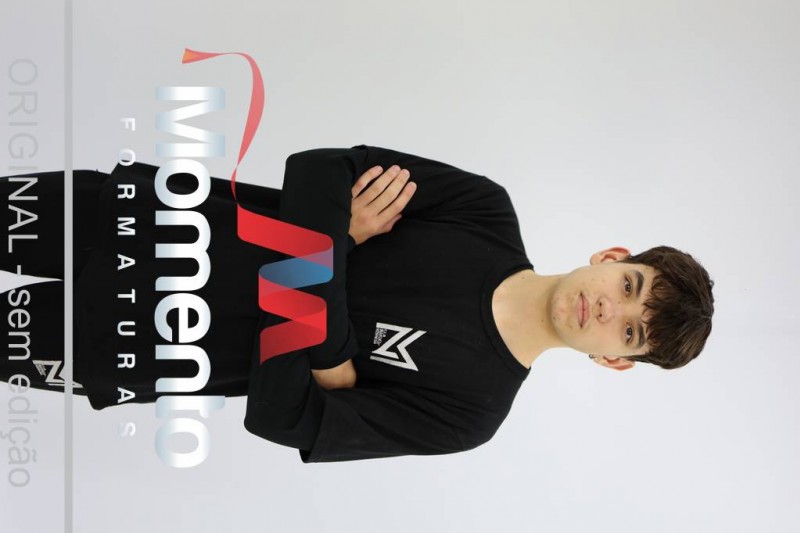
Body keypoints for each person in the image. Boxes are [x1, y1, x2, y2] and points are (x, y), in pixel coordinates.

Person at [0, 144, 714, 463]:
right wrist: (329, 347)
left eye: (630, 332)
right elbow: (318, 169)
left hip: (138, 343)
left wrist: (335, 241)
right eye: (629, 287)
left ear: (616, 361)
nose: (609, 311)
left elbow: (281, 416)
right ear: (612, 257)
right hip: (147, 219)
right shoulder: (482, 212)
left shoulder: (469, 413)